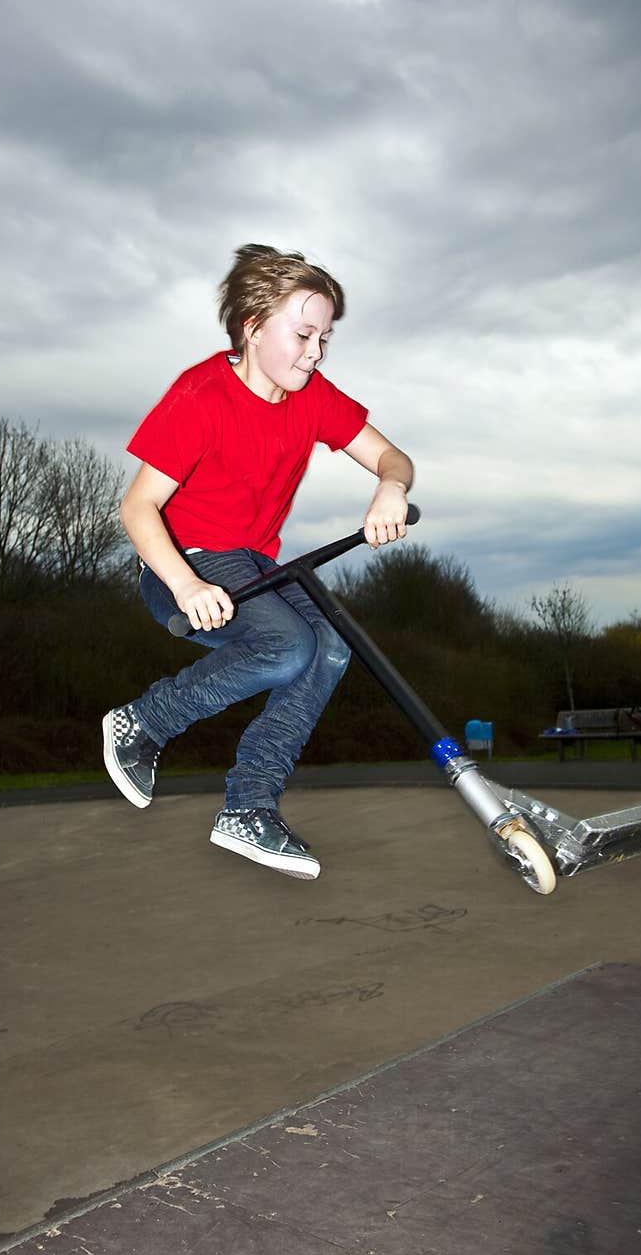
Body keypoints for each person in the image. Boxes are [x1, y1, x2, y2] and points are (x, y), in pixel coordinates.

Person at [103, 244, 414, 880]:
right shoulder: (201, 396)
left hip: (254, 565)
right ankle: (141, 722)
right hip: (183, 564)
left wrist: (391, 487)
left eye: (325, 337)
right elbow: (138, 509)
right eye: (303, 334)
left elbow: (393, 457)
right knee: (286, 648)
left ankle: (248, 808)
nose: (316, 352)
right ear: (252, 327)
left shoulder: (314, 397)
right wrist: (187, 584)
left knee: (330, 647)